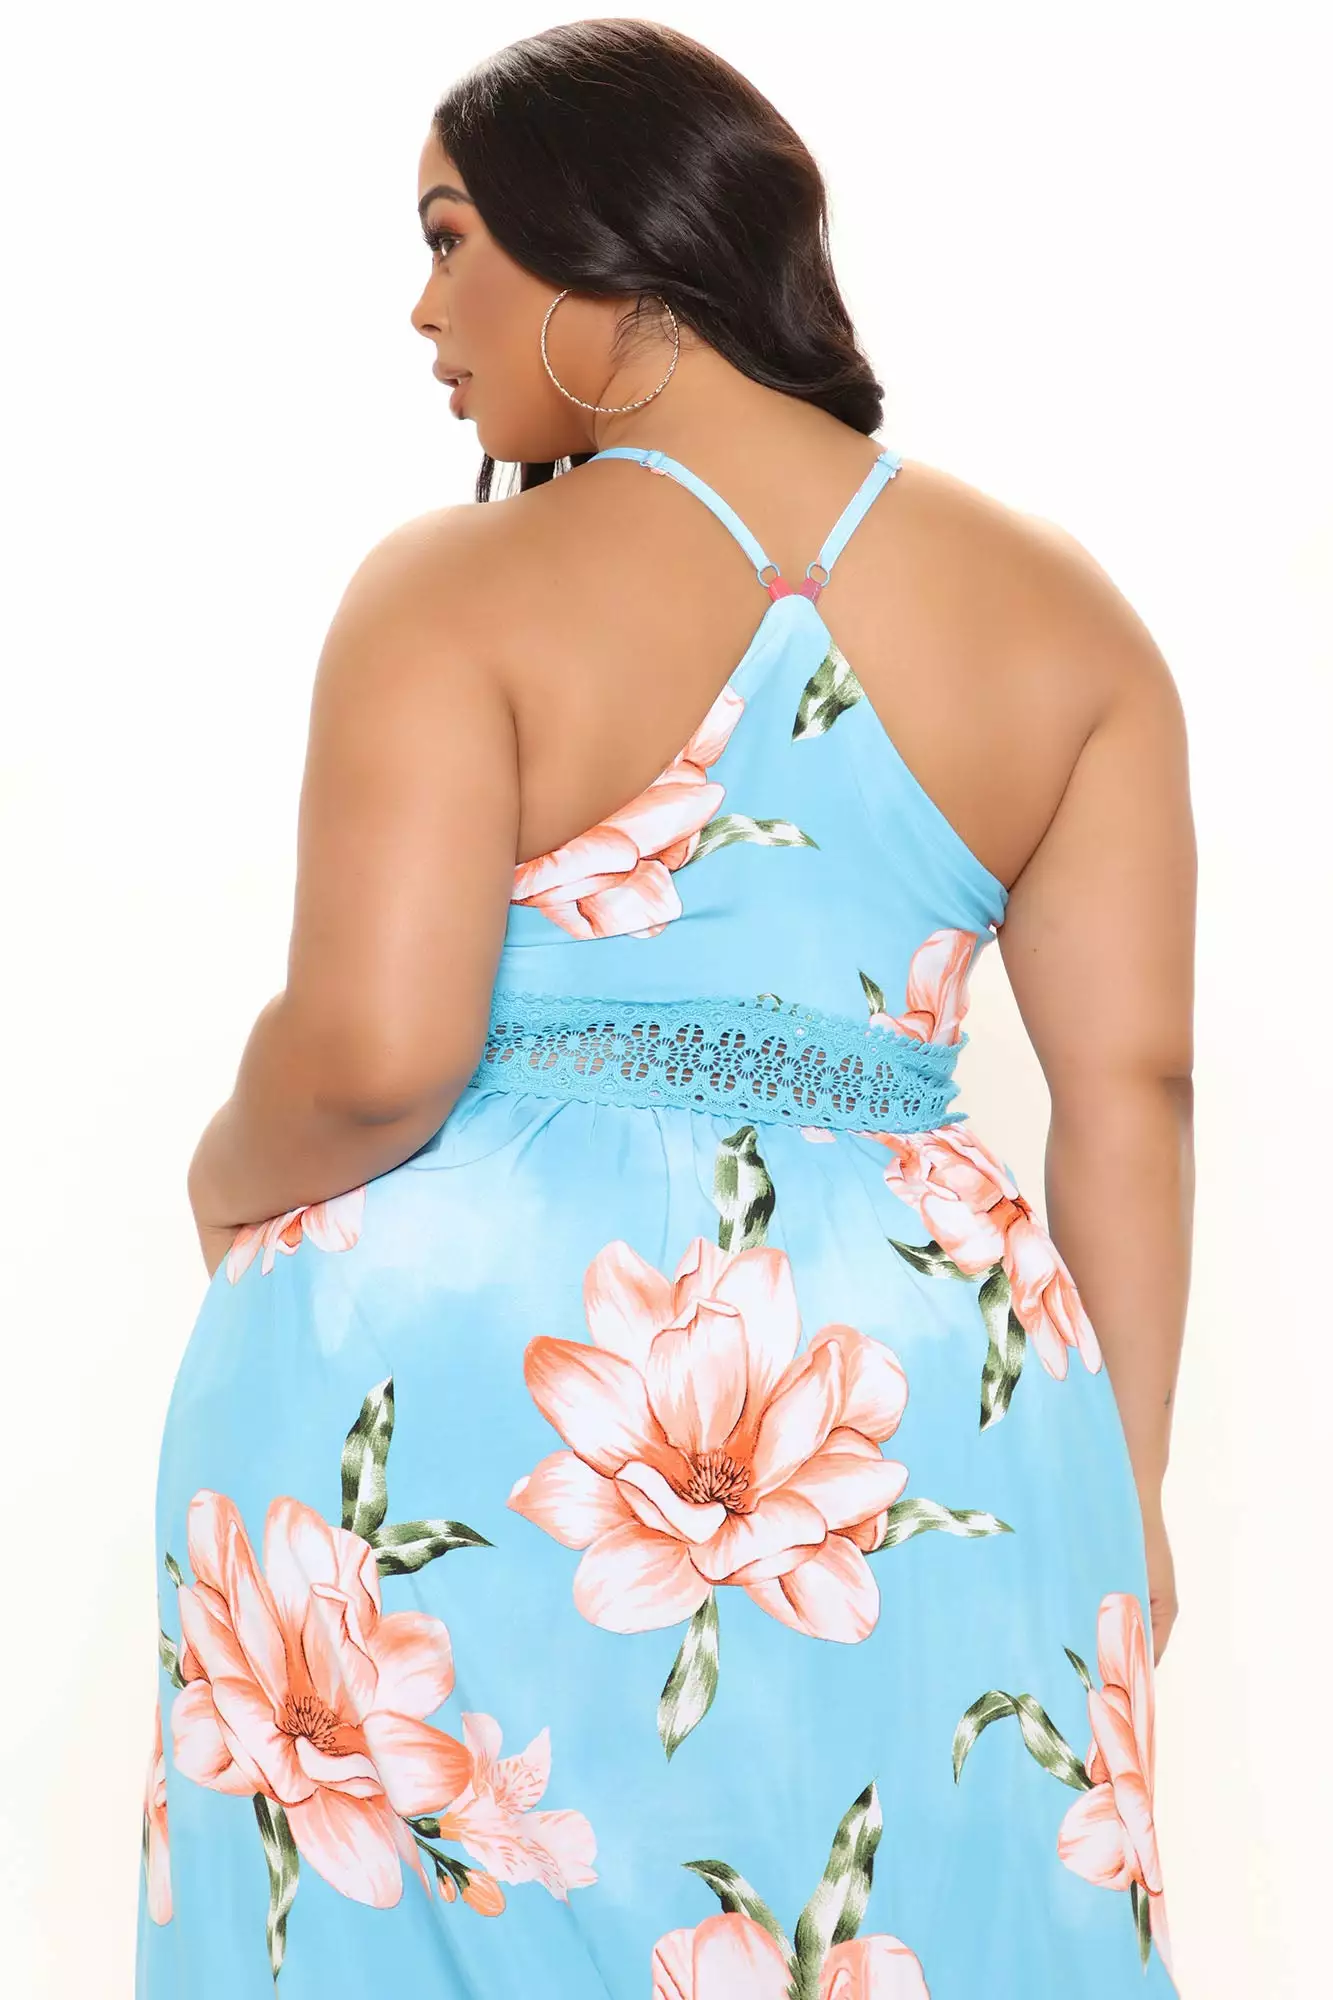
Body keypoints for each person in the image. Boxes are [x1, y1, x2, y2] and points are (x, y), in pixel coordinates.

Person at [136, 19, 1193, 1999]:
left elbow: (373, 1056)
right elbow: (1132, 1087)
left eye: (449, 237)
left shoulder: (456, 588)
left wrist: (220, 1177)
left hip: (480, 1373)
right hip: (918, 1409)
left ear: (603, 249)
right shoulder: (1067, 616)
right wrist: (1118, 1490)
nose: (423, 308)